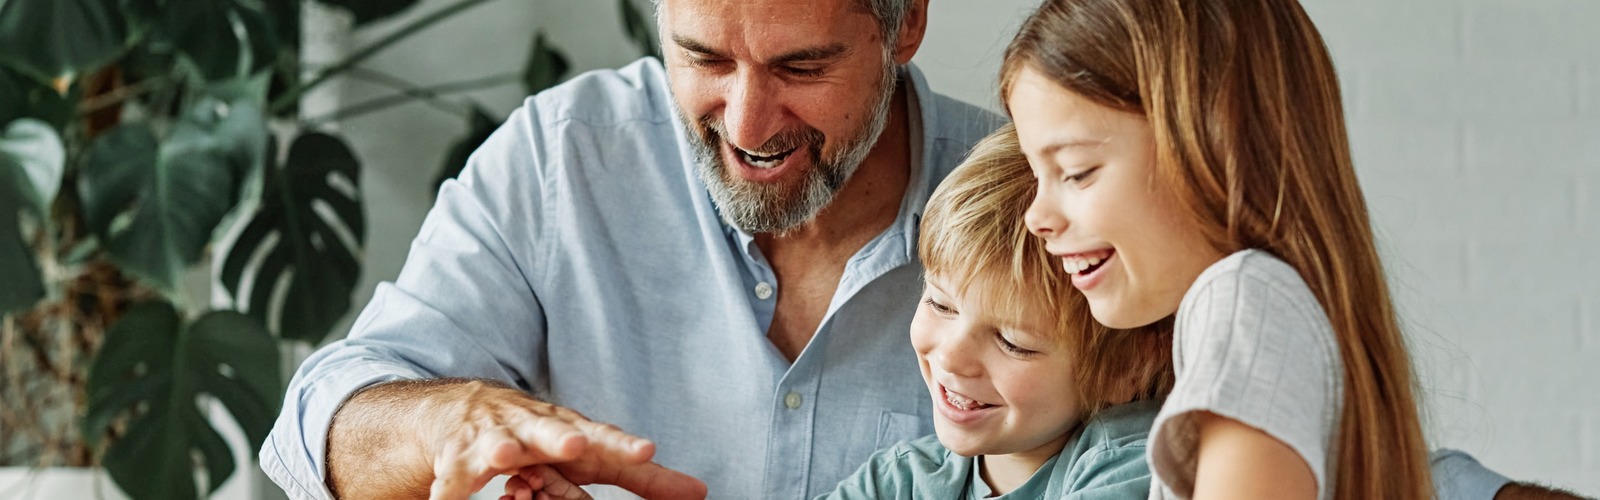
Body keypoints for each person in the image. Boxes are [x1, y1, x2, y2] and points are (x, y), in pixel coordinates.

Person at [259, 0, 1005, 498]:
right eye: (705, 59)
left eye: (800, 67)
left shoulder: (1032, 199)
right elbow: (319, 420)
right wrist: (448, 421)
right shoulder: (565, 154)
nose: (746, 127)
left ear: (906, 23)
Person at [1003, 0, 1583, 499]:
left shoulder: (1243, 303)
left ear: (1214, 140)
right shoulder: (1278, 316)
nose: (1036, 217)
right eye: (1036, 175)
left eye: (1075, 171)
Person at [819, 124, 1173, 499]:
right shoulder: (901, 479)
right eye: (940, 304)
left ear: (1128, 369)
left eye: (1012, 342)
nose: (951, 357)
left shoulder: (1135, 462)